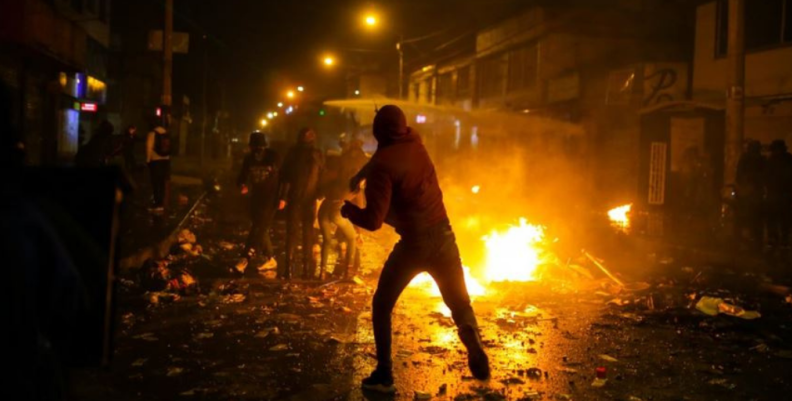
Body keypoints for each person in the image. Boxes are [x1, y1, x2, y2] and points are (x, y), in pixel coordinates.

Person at [341, 105, 489, 393]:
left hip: (413, 245)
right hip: (445, 237)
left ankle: (384, 375)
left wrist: (349, 211)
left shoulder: (383, 166)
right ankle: (473, 342)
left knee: (382, 305)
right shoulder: (415, 143)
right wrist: (362, 173)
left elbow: (373, 220)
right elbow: (386, 158)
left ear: (378, 131)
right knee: (459, 304)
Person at [318, 136, 367, 279]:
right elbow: (360, 209)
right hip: (337, 211)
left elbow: (324, 191)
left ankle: (322, 272)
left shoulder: (339, 179)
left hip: (324, 209)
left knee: (327, 240)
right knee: (352, 238)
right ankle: (349, 272)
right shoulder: (357, 187)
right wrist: (360, 233)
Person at [235, 132, 285, 274]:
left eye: (260, 149)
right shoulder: (249, 159)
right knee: (261, 229)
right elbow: (242, 176)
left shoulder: (274, 157)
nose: (258, 152)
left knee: (258, 229)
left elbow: (284, 178)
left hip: (271, 199)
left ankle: (244, 259)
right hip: (256, 198)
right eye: (255, 149)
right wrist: (242, 185)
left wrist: (283, 197)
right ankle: (270, 258)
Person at [279, 128, 324, 279]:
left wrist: (283, 197)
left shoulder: (293, 153)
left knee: (292, 233)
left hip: (295, 198)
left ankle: (288, 269)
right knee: (308, 233)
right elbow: (322, 177)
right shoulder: (317, 154)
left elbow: (285, 177)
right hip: (309, 200)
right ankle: (306, 269)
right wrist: (320, 194)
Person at [735, 140, 766, 248]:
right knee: (756, 219)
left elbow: (738, 176)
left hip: (747, 194)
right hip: (755, 194)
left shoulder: (745, 160)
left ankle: (743, 240)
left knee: (745, 218)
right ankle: (755, 242)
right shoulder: (762, 160)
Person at [765, 139, 792, 248]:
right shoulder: (774, 160)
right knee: (777, 218)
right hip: (777, 194)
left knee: (782, 218)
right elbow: (766, 177)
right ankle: (776, 239)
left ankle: (780, 239)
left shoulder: (786, 160)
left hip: (783, 194)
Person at [146, 110, 172, 213]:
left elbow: (149, 147)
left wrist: (148, 160)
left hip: (155, 161)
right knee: (162, 182)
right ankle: (160, 203)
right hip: (165, 161)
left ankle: (158, 204)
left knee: (155, 183)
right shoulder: (165, 133)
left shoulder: (152, 133)